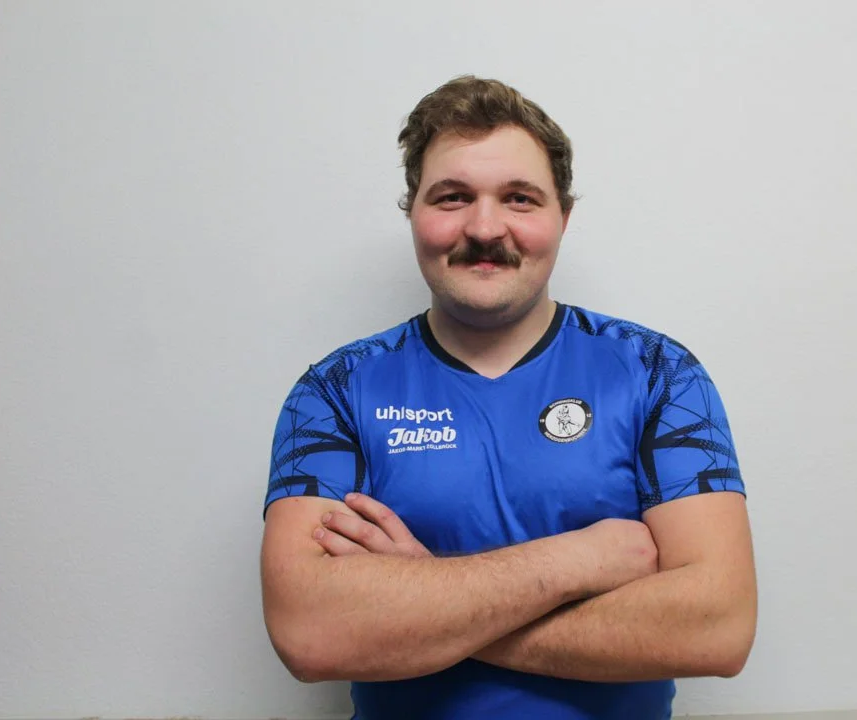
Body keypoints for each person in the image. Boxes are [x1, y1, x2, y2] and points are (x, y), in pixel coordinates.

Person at [260, 75, 757, 720]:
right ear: (412, 212)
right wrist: (580, 561)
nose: (485, 226)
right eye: (453, 197)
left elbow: (718, 628)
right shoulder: (335, 391)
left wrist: (422, 599)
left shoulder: (659, 373)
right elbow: (311, 633)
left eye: (519, 198)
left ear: (563, 217)